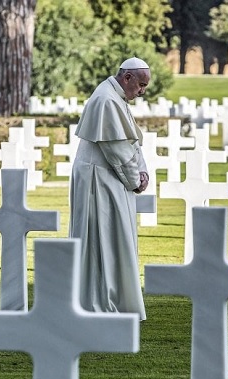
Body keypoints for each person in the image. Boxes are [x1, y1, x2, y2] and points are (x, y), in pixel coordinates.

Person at [68, 57, 151, 321]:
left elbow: (130, 142)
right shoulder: (106, 100)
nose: (142, 91)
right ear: (127, 78)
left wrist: (143, 171)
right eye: (140, 85)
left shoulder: (115, 97)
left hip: (109, 179)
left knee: (115, 239)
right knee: (101, 239)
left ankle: (113, 300)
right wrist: (135, 180)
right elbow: (116, 150)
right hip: (99, 182)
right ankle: (99, 302)